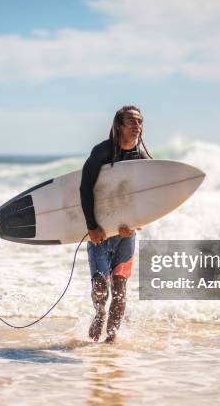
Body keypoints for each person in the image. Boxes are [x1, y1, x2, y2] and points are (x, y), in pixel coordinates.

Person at [79, 105, 152, 343]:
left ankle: (110, 343)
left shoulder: (141, 159)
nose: (137, 126)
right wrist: (91, 226)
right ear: (119, 125)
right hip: (100, 230)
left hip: (125, 235)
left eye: (139, 122)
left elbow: (146, 198)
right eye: (131, 121)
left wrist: (134, 224)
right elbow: (85, 188)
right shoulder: (102, 151)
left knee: (120, 292)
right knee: (101, 287)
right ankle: (99, 314)